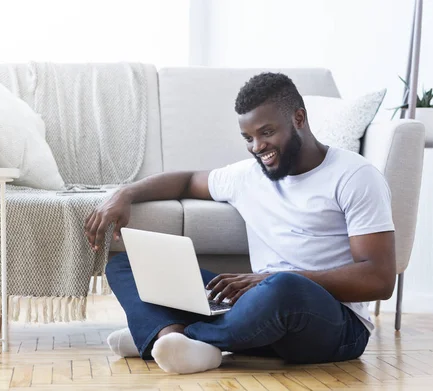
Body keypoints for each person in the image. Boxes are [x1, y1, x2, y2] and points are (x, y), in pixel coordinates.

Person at [83, 72, 396, 375]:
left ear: (298, 119)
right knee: (127, 264)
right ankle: (174, 339)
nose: (257, 146)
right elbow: (187, 180)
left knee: (285, 286)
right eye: (248, 138)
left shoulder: (355, 176)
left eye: (266, 132)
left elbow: (379, 279)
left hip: (335, 325)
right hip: (256, 311)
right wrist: (124, 193)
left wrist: (271, 279)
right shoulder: (248, 175)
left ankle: (162, 334)